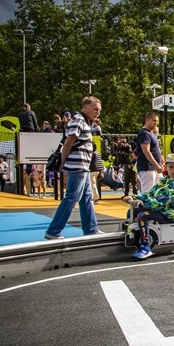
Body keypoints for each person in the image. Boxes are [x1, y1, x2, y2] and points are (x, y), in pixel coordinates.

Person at [44, 96, 103, 240]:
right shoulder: (78, 120)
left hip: (82, 166)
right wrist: (62, 162)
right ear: (85, 107)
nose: (97, 112)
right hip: (77, 166)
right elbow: (68, 143)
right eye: (95, 109)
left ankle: (91, 229)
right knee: (72, 197)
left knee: (86, 197)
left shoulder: (84, 121)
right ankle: (53, 231)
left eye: (99, 110)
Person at [122, 153, 174, 261]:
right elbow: (151, 193)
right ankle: (134, 236)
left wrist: (144, 203)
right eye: (171, 167)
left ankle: (146, 246)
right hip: (160, 209)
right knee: (133, 212)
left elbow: (165, 200)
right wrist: (133, 196)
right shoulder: (164, 180)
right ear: (166, 167)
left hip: (169, 212)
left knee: (142, 215)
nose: (173, 170)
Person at [135, 112, 164, 194]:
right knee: (147, 192)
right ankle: (145, 206)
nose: (156, 123)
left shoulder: (151, 133)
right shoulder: (145, 133)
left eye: (157, 121)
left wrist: (159, 163)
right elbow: (146, 151)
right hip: (147, 167)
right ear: (147, 120)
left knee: (159, 190)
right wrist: (156, 165)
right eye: (154, 120)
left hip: (153, 168)